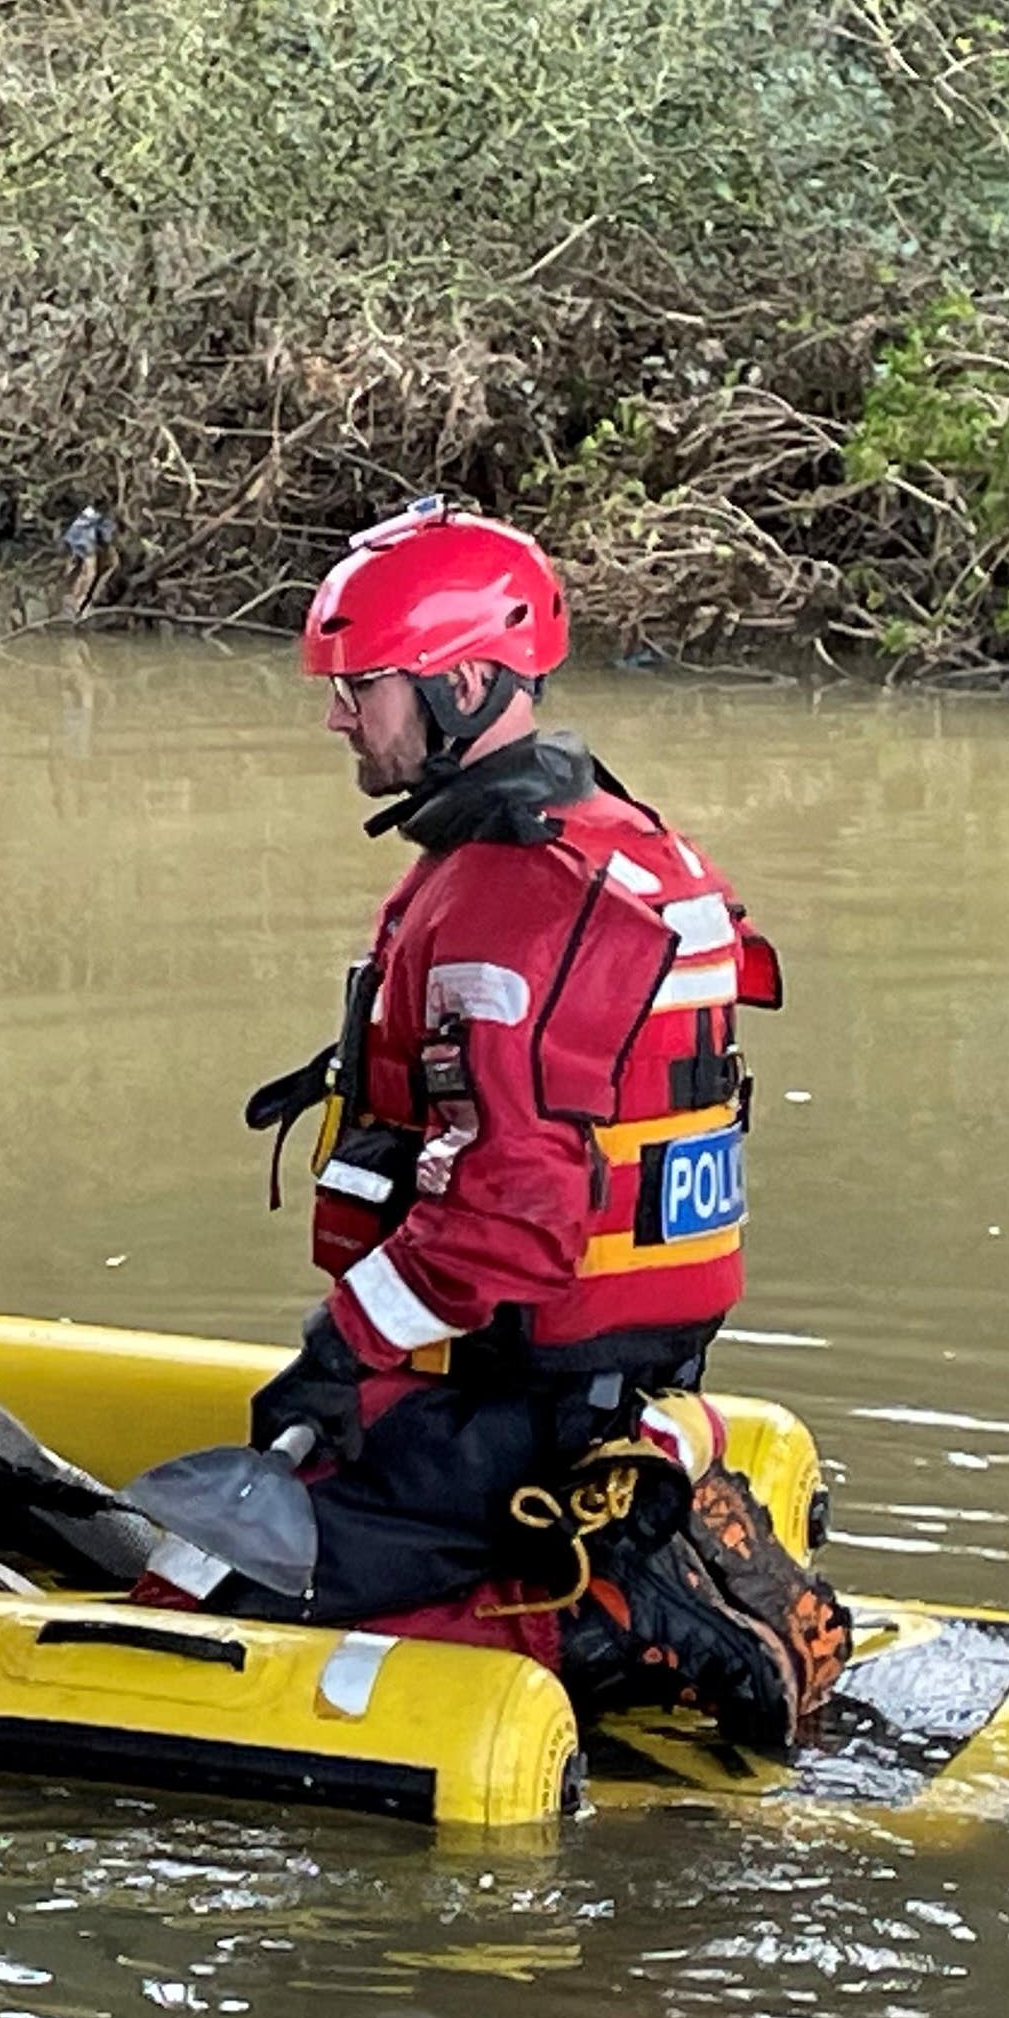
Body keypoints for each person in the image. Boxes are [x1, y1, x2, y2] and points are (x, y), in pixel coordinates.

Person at [204, 499, 845, 1742]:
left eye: (361, 686)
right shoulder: (620, 846)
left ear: (463, 682)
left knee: (203, 1595)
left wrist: (344, 1343)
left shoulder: (515, 901)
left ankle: (603, 1619)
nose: (338, 715)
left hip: (513, 1400)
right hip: (589, 1375)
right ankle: (625, 1561)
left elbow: (515, 1219)